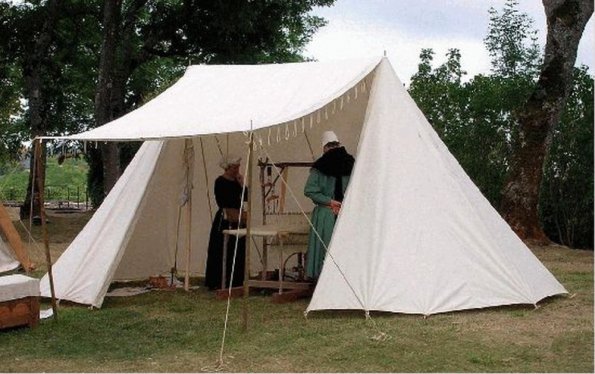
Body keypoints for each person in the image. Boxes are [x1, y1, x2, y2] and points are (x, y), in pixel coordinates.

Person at [304, 131, 355, 281]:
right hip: (347, 212)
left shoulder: (321, 165)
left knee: (326, 248)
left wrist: (329, 201)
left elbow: (310, 190)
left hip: (327, 212)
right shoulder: (351, 162)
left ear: (325, 147)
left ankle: (325, 281)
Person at [204, 155, 248, 290]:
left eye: (238, 167)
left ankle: (235, 281)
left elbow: (246, 197)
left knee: (238, 249)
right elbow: (222, 200)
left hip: (238, 218)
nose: (237, 170)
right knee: (221, 250)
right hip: (225, 218)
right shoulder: (220, 181)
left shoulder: (237, 181)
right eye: (235, 167)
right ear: (228, 168)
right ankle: (218, 281)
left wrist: (242, 184)